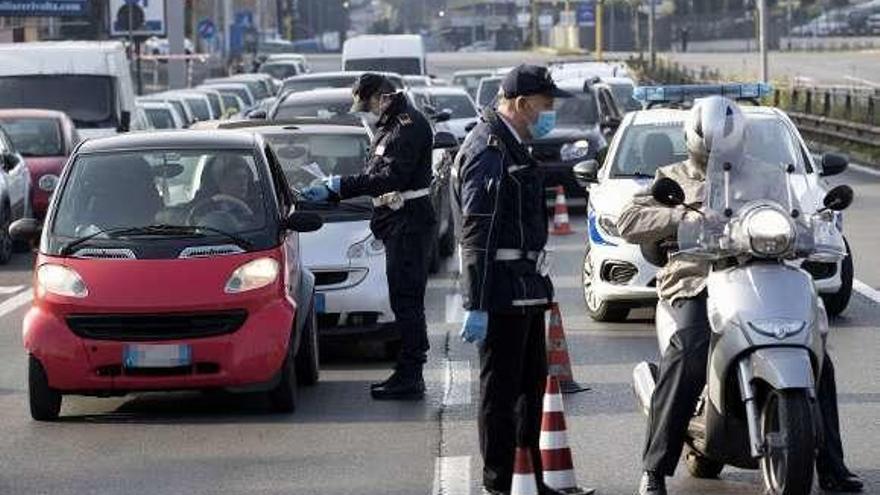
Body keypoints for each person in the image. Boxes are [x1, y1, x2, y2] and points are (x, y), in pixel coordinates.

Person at [617, 96, 863, 495]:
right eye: (710, 148)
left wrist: (810, 228)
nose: (718, 155)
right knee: (690, 349)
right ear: (694, 140)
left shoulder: (767, 176)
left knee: (818, 355)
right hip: (696, 280)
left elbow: (796, 218)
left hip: (760, 275)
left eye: (726, 147)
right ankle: (655, 469)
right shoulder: (673, 177)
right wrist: (683, 214)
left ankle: (832, 464)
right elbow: (629, 220)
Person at [452, 64, 572, 495]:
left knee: (530, 392)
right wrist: (476, 301)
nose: (548, 114)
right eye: (544, 106)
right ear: (521, 104)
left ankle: (530, 479)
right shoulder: (489, 150)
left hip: (523, 288)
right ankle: (501, 482)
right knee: (501, 396)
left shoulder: (511, 144)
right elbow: (477, 233)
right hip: (500, 290)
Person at [301, 73, 436, 401]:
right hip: (395, 222)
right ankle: (407, 371)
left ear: (382, 97)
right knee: (402, 300)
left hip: (408, 222)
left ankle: (411, 374)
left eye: (368, 105)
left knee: (406, 302)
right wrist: (335, 192)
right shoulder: (389, 126)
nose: (366, 112)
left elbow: (392, 176)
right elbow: (375, 174)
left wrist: (340, 185)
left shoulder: (407, 125)